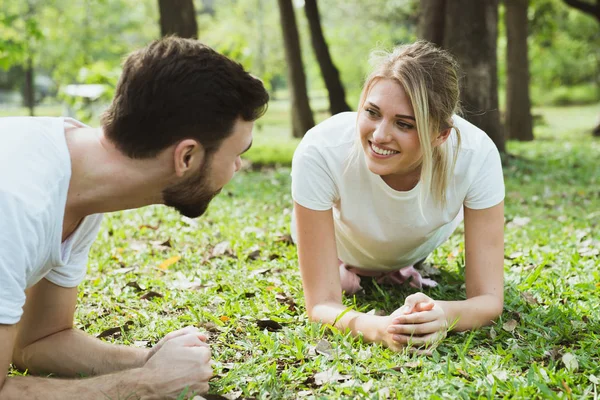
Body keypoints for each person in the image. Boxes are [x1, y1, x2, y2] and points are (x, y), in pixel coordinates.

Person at [0, 37, 269, 398]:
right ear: (186, 156)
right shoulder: (17, 201)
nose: (239, 166)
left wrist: (152, 362)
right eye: (237, 153)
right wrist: (145, 385)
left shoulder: (79, 180)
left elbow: (37, 342)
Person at [291, 41, 504, 352]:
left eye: (404, 124)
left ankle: (388, 270)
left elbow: (489, 299)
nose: (379, 135)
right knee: (340, 278)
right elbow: (321, 304)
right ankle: (352, 270)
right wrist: (380, 328)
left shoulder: (474, 154)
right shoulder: (322, 149)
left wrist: (441, 315)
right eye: (372, 112)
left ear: (440, 135)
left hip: (411, 247)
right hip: (341, 242)